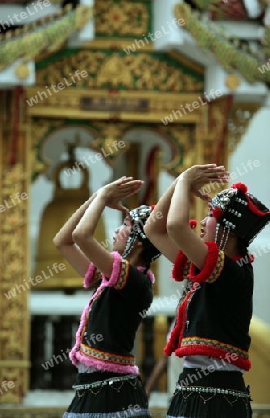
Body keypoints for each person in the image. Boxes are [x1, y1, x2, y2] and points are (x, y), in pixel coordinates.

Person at [144, 164, 270, 418]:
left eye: (211, 215)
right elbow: (153, 229)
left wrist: (185, 181)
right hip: (194, 389)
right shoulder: (212, 268)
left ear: (228, 231)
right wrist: (180, 183)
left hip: (214, 394)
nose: (202, 221)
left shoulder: (230, 271)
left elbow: (176, 227)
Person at [53, 176, 162, 418]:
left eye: (125, 225)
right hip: (94, 390)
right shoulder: (110, 277)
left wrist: (102, 196)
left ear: (140, 241)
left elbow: (82, 236)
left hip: (114, 395)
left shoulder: (136, 281)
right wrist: (95, 198)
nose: (116, 230)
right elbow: (63, 240)